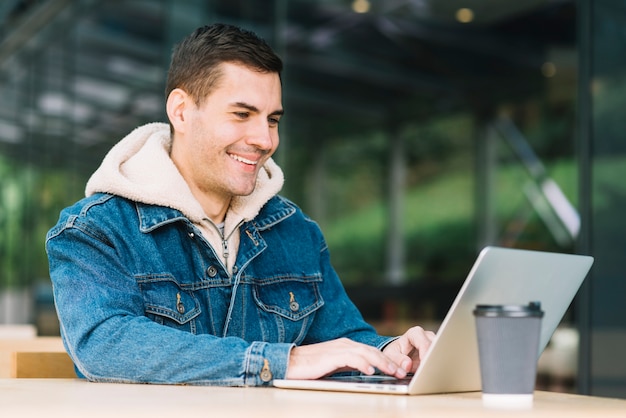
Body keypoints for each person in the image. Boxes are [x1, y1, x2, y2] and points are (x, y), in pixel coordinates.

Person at [46, 23, 435, 386]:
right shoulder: (94, 231)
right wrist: (284, 361)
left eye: (272, 119)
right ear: (181, 111)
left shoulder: (297, 232)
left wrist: (390, 354)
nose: (265, 139)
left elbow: (343, 340)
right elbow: (104, 345)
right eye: (242, 114)